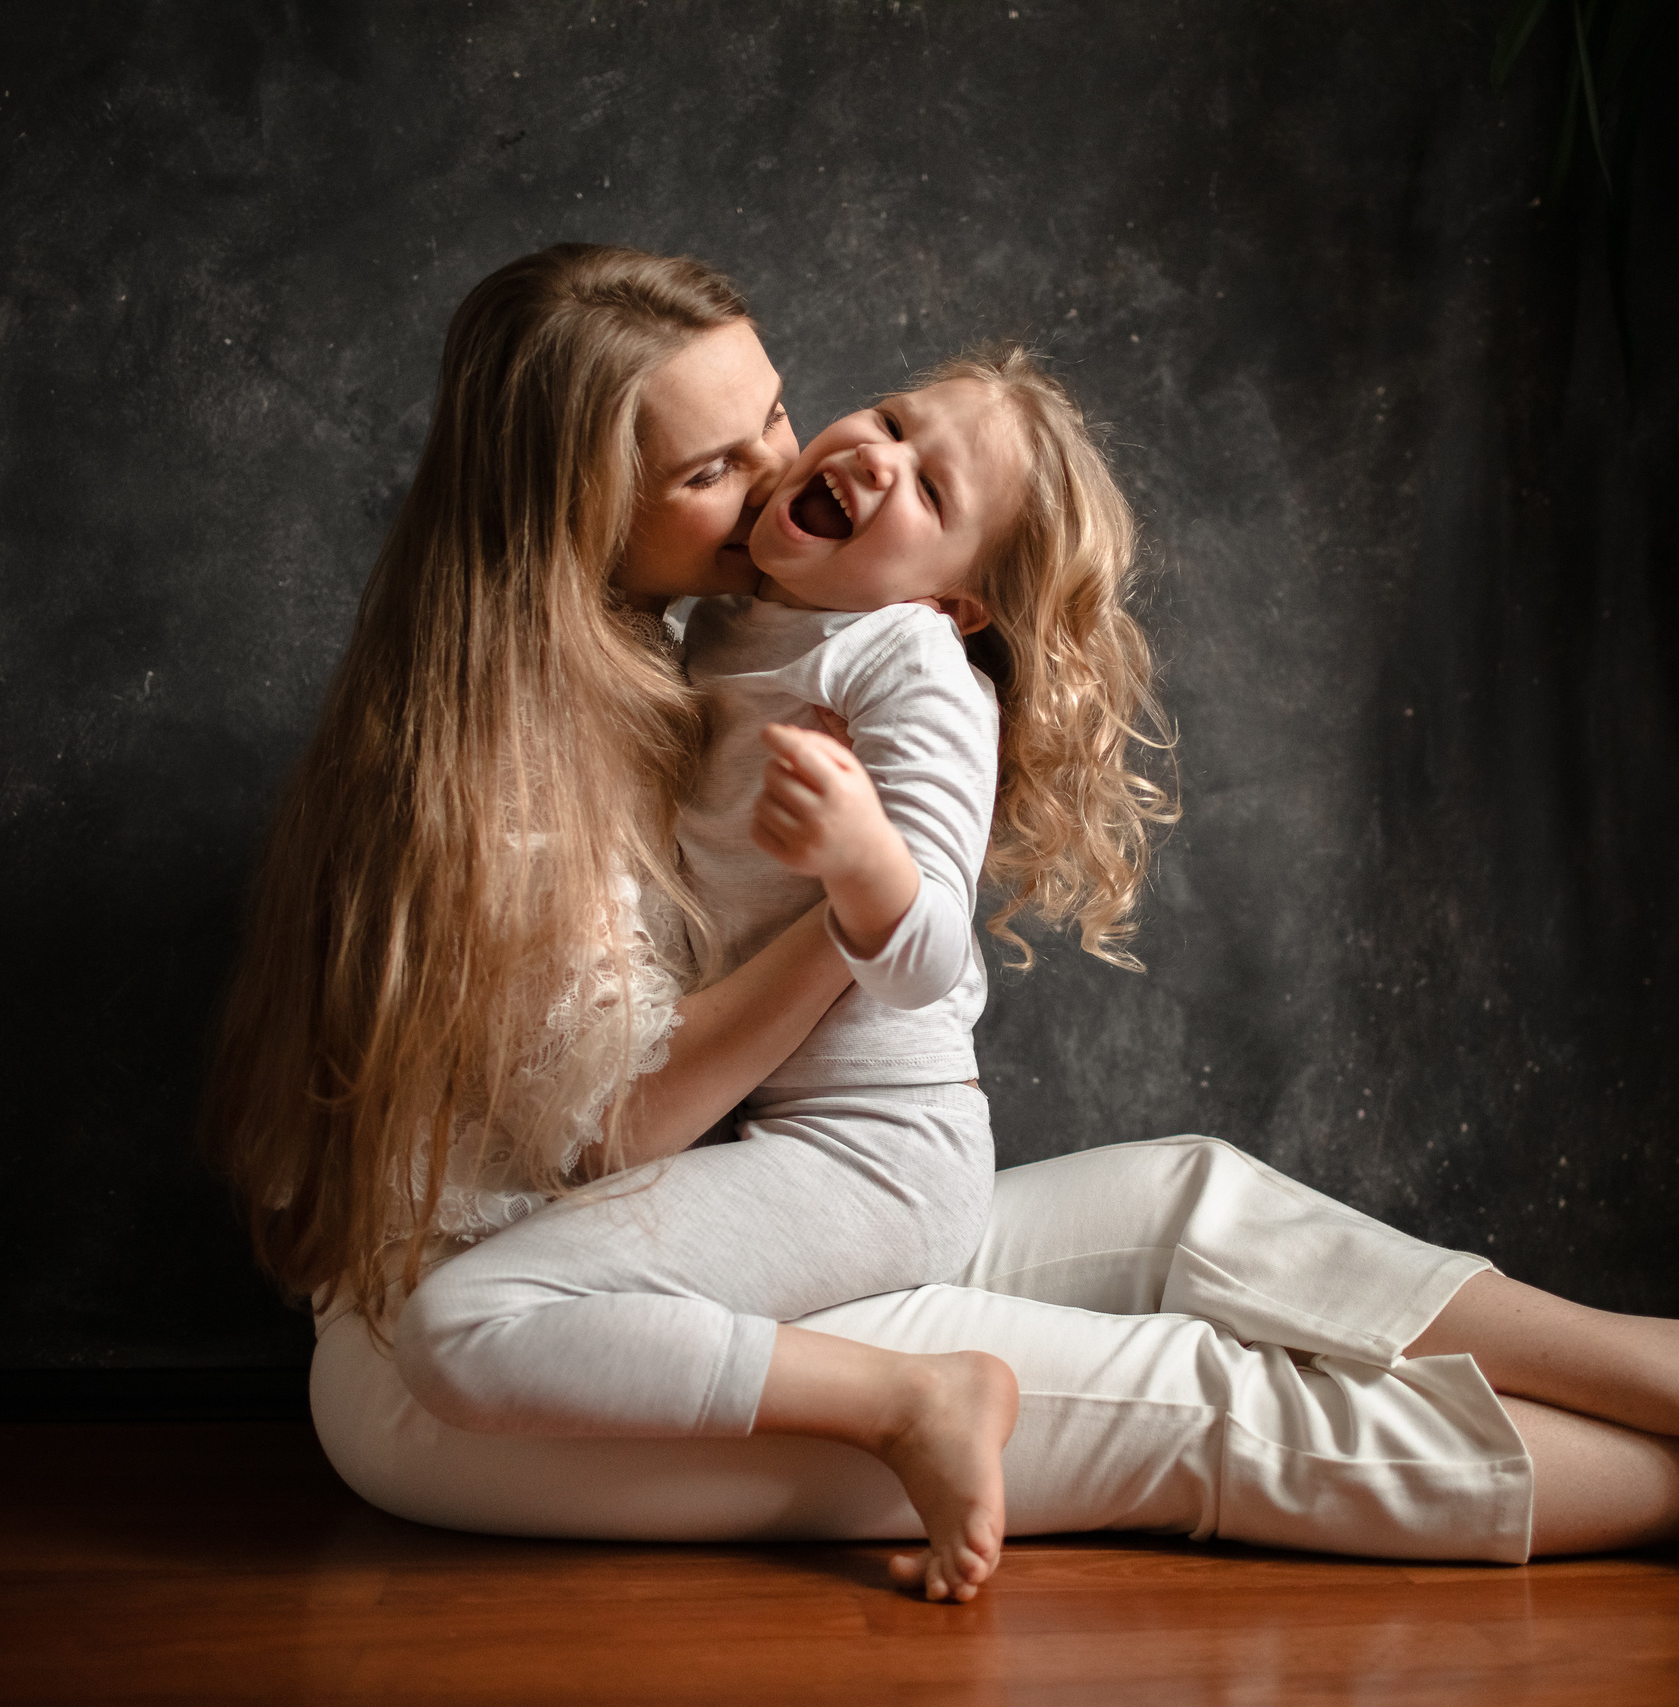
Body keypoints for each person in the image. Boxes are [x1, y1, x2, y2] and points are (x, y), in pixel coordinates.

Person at [206, 243, 1679, 1604]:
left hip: (654, 1254)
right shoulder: (509, 769)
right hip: (491, 1360)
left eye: (776, 407)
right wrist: (855, 919)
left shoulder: (684, 645)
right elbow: (620, 1132)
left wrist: (876, 874)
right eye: (715, 465)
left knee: (1188, 1197)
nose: (780, 464)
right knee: (1189, 1393)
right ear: (577, 510)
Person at [387, 342, 1174, 1601]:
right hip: (767, 1132)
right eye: (894, 417)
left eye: (929, 492)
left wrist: (863, 858)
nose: (878, 455)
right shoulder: (722, 623)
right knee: (470, 1307)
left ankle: (920, 1397)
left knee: (463, 1330)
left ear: (957, 599)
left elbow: (923, 962)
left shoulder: (906, 665)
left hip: (876, 1153)